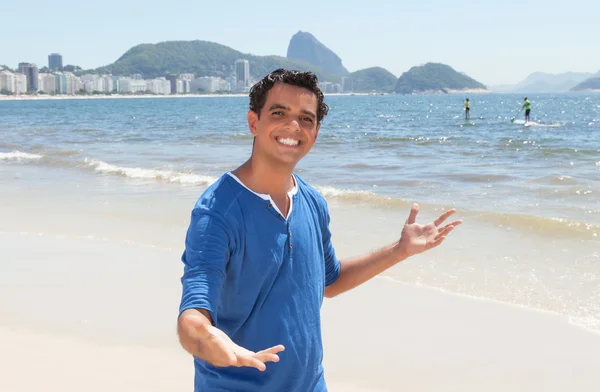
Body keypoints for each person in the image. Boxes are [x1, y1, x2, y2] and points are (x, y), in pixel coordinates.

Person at [176, 68, 462, 392]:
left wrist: (399, 251)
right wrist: (206, 338)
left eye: (306, 118)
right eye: (279, 113)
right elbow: (193, 315)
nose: (293, 126)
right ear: (254, 122)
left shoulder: (312, 201)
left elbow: (331, 280)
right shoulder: (217, 211)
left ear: (316, 132)